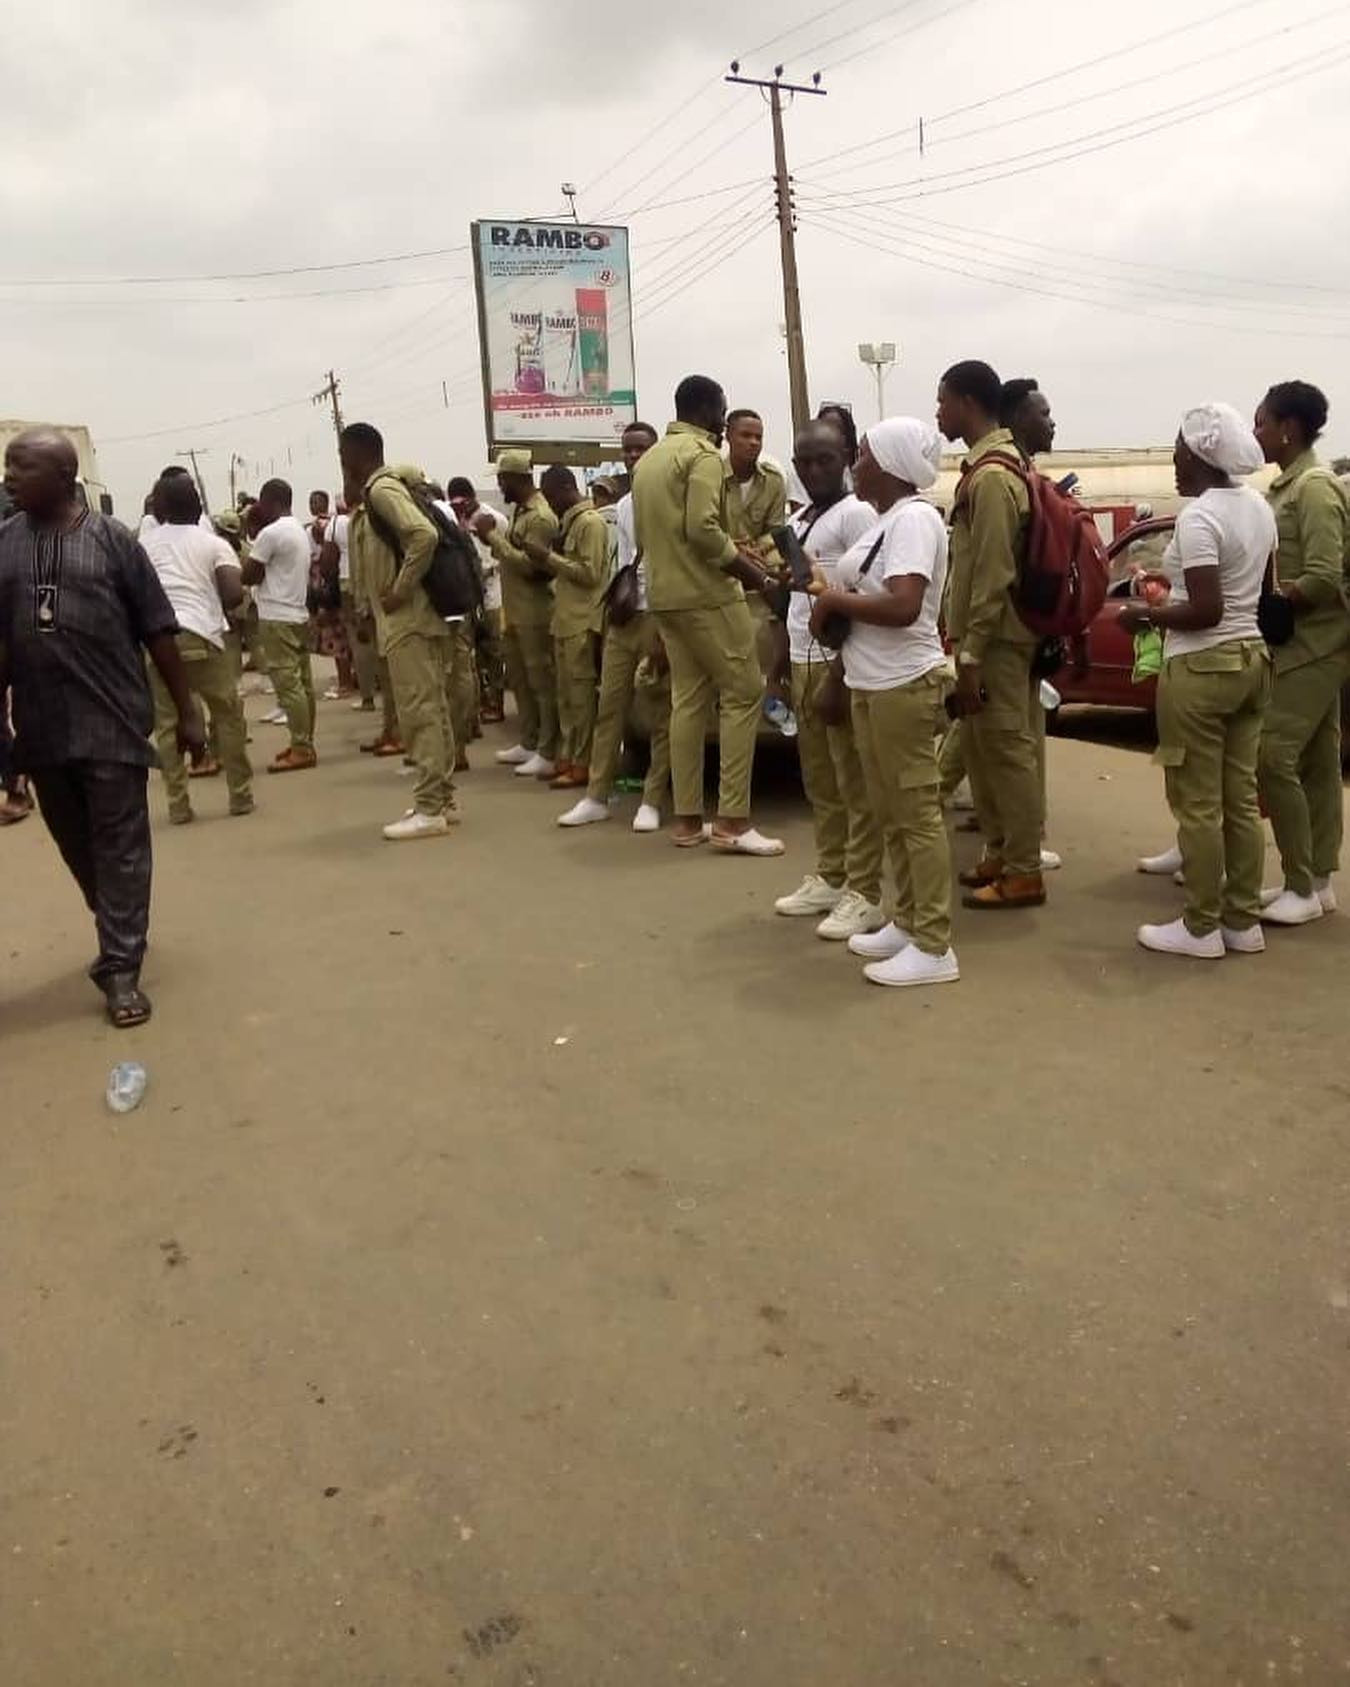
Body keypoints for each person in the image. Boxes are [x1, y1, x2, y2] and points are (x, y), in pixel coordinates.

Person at [0, 428, 206, 1026]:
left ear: (64, 477)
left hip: (111, 721)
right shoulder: (4, 544)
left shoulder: (113, 541)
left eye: (21, 466)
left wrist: (188, 712)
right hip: (42, 730)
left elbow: (157, 629)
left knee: (120, 848)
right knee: (78, 846)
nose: (9, 476)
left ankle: (120, 969)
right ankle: (118, 920)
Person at [1117, 403, 1274, 958]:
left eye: (1180, 452)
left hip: (1202, 666)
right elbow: (1254, 592)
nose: (1175, 462)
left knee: (1199, 804)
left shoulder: (1201, 516)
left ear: (1203, 455)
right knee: (1240, 800)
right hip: (1252, 662)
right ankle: (1242, 921)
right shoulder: (1258, 506)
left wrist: (1145, 615)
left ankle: (1201, 927)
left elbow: (1206, 610)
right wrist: (1174, 584)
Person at [807, 419, 958, 988]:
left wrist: (835, 599)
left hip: (903, 684)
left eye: (864, 453)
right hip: (872, 683)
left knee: (916, 815)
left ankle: (935, 944)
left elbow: (904, 606)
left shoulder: (915, 519)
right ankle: (909, 919)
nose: (855, 461)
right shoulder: (886, 522)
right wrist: (828, 592)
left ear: (891, 462)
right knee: (891, 811)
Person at [634, 375, 782, 854]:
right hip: (708, 595)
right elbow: (702, 529)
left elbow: (661, 533)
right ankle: (733, 821)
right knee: (744, 692)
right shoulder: (701, 458)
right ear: (707, 410)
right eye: (723, 412)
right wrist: (753, 575)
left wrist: (723, 545)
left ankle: (687, 820)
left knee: (690, 700)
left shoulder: (650, 459)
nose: (724, 422)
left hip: (665, 598)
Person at [937, 359, 1044, 909]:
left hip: (996, 642)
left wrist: (973, 648)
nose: (938, 412)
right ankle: (1001, 851)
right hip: (984, 640)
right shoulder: (986, 469)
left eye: (943, 401)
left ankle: (1025, 870)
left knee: (1007, 754)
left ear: (968, 404)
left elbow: (995, 572)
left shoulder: (996, 476)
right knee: (983, 753)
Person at [772, 420, 883, 939]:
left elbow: (863, 596)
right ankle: (832, 873)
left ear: (845, 459)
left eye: (825, 460)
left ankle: (866, 889)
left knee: (853, 782)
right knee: (821, 781)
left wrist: (840, 673)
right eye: (805, 462)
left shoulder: (857, 513)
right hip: (800, 656)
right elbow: (794, 599)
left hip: (835, 661)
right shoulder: (801, 517)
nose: (815, 469)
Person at [1252, 380, 1350, 926]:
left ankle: (1299, 883)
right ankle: (1317, 881)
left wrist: (1275, 596)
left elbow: (1322, 574)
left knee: (1272, 755)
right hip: (1307, 644)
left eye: (1262, 421)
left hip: (1317, 644)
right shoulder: (1288, 487)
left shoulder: (1313, 488)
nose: (1256, 431)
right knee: (1316, 762)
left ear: (1288, 429)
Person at [339, 424, 456, 840]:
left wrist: (398, 590)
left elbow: (423, 535)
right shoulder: (381, 490)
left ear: (353, 455)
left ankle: (430, 808)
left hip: (410, 620)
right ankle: (440, 798)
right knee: (431, 708)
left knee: (419, 711)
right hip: (413, 621)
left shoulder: (382, 490)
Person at [558, 421, 672, 834]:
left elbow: (672, 563)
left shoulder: (668, 495)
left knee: (662, 711)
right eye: (627, 449)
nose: (633, 455)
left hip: (660, 613)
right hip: (626, 614)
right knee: (610, 708)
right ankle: (595, 796)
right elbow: (622, 564)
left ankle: (653, 800)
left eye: (640, 448)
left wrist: (665, 626)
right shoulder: (623, 505)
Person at [141, 474, 253, 824]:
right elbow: (234, 593)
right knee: (227, 713)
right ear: (198, 506)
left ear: (160, 510)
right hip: (203, 635)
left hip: (158, 640)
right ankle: (240, 796)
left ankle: (178, 805)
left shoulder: (143, 544)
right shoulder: (212, 543)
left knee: (167, 722)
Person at [522, 466, 610, 790]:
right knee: (566, 697)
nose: (549, 502)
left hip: (583, 621)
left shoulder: (590, 523)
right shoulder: (570, 522)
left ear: (563, 489)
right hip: (565, 619)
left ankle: (583, 763)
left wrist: (547, 558)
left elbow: (590, 574)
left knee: (581, 697)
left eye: (549, 495)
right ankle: (569, 756)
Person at [475, 451, 559, 779]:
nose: (500, 486)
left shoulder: (539, 516)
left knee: (542, 683)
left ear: (519, 479)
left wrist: (491, 537)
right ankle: (530, 739)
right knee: (521, 681)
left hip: (536, 611)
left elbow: (534, 567)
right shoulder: (521, 512)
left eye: (503, 480)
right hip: (516, 610)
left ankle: (549, 749)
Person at [242, 479, 317, 772]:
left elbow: (249, 575)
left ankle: (302, 747)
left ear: (270, 501)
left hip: (276, 615)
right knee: (304, 684)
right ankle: (304, 741)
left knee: (288, 686)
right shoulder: (298, 529)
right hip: (297, 611)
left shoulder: (270, 534)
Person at [448, 476, 506, 723]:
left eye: (463, 504)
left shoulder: (491, 518)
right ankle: (480, 703)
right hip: (467, 597)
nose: (460, 509)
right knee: (471, 655)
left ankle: (496, 702)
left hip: (491, 594)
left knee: (492, 651)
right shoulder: (455, 520)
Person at [724, 409, 788, 552]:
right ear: (728, 436)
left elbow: (775, 531)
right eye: (745, 436)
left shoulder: (773, 481)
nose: (753, 442)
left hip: (760, 558)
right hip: (720, 558)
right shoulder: (713, 477)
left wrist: (758, 550)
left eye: (758, 437)